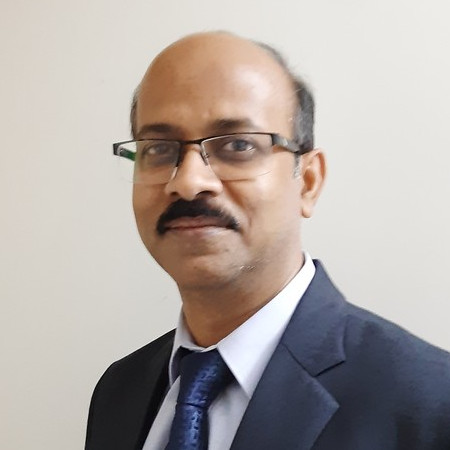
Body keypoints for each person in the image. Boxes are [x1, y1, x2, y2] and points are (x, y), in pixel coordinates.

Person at [85, 32, 450, 450]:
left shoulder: (431, 406)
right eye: (159, 149)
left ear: (308, 182)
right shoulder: (119, 390)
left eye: (237, 145)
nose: (188, 182)